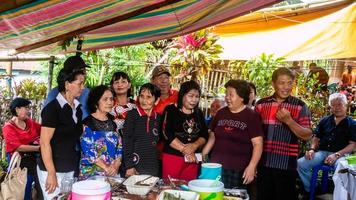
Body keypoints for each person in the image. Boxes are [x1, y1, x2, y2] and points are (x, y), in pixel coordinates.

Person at [255, 67, 312, 200]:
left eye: (289, 82)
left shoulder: (300, 106)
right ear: (273, 84)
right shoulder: (261, 105)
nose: (286, 87)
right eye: (282, 83)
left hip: (286, 166)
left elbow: (307, 135)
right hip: (263, 163)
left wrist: (289, 120)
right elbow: (254, 136)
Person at [203, 80, 263, 199]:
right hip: (215, 167)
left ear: (241, 97)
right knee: (211, 196)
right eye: (226, 94)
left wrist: (252, 167)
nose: (227, 97)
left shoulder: (251, 116)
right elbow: (213, 136)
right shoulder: (221, 113)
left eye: (231, 94)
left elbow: (258, 144)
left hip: (238, 170)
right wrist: (204, 155)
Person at [37, 67, 85, 199]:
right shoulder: (53, 109)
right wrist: (51, 174)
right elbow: (44, 143)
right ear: (67, 84)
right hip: (52, 169)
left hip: (69, 167)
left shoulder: (77, 109)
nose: (83, 87)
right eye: (80, 83)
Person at [297, 93, 356, 197]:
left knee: (342, 169)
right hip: (322, 152)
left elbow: (352, 145)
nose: (336, 108)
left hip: (341, 155)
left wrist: (336, 154)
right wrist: (311, 149)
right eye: (333, 105)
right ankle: (312, 188)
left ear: (346, 105)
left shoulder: (352, 123)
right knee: (301, 163)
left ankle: (339, 195)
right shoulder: (325, 120)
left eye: (339, 104)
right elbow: (316, 137)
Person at [162, 80, 208, 181]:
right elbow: (166, 133)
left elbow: (204, 135)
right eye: (190, 96)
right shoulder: (170, 110)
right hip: (173, 157)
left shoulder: (198, 113)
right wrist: (185, 150)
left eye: (197, 97)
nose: (194, 100)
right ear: (182, 95)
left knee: (188, 188)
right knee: (170, 189)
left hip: (193, 159)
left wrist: (194, 146)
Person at [80, 85, 122, 180]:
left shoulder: (113, 123)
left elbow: (119, 146)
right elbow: (89, 151)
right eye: (105, 99)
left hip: (112, 173)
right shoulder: (87, 123)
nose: (109, 102)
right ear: (95, 102)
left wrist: (116, 164)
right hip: (92, 174)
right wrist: (107, 168)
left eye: (111, 99)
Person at [2, 97, 41, 200]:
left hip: (33, 157)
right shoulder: (8, 127)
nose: (28, 111)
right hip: (19, 160)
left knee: (40, 175)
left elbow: (43, 129)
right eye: (26, 108)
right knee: (29, 180)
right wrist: (39, 148)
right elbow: (18, 147)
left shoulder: (30, 122)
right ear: (17, 109)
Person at [123, 83, 161, 177]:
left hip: (152, 165)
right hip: (134, 165)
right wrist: (129, 166)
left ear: (156, 100)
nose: (144, 100)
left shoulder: (159, 118)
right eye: (141, 96)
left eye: (149, 97)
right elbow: (127, 141)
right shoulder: (132, 115)